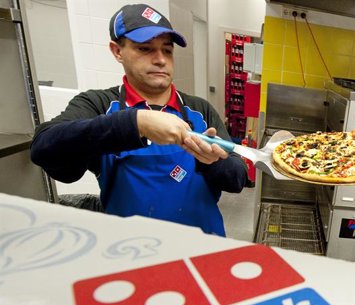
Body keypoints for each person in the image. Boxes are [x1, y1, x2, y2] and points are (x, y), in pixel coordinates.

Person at [31, 4, 247, 236]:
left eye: (167, 50)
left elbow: (237, 178)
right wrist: (136, 123)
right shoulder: (101, 105)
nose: (160, 60)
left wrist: (212, 161)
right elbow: (44, 146)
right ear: (117, 51)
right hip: (133, 252)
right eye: (145, 49)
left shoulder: (198, 110)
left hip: (203, 249)